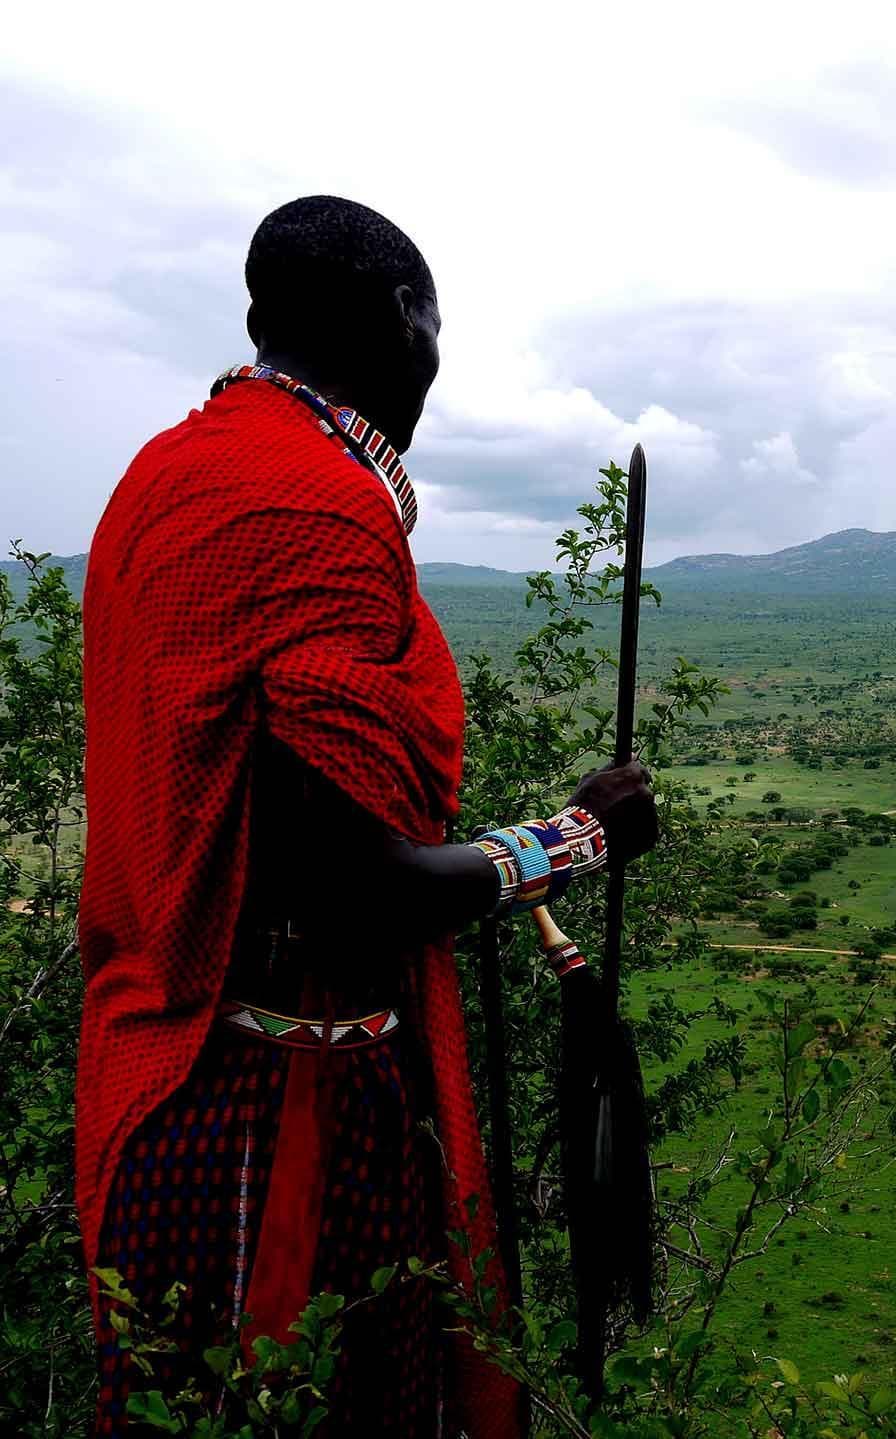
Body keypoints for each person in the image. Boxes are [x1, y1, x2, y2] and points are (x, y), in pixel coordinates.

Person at [76, 195, 656, 1435]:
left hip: (155, 1067)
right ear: (403, 317)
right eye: (435, 330)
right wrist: (575, 838)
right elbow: (357, 892)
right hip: (285, 1105)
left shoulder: (161, 476)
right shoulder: (314, 503)